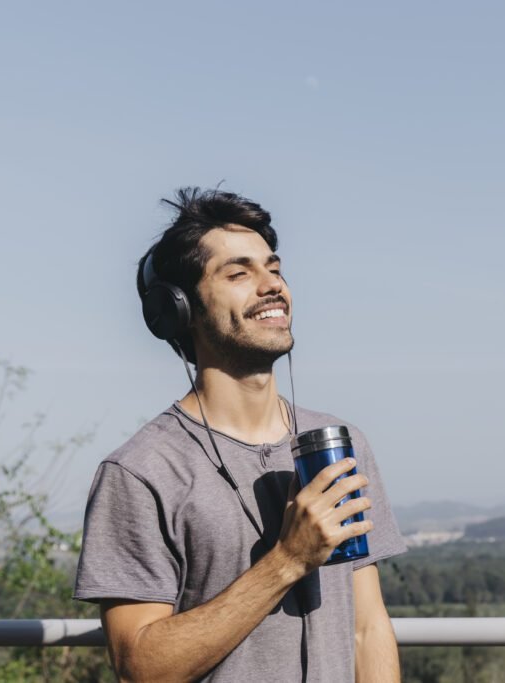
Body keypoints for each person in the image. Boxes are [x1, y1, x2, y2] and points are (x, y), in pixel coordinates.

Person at [73, 187, 407, 682]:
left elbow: (366, 627)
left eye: (274, 268)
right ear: (178, 310)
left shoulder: (338, 443)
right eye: (239, 273)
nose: (272, 285)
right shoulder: (140, 473)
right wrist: (288, 561)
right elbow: (140, 667)